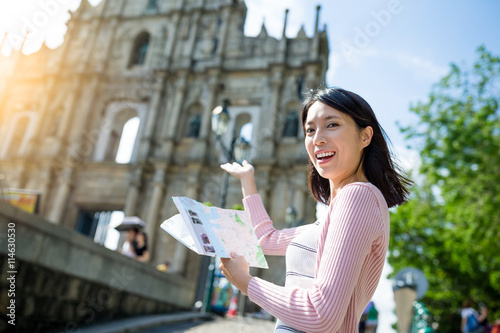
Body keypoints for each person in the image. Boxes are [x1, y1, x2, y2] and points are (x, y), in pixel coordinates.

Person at [219, 87, 411, 332]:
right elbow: (266, 240)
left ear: (365, 136)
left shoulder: (358, 197)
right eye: (310, 130)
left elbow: (321, 315)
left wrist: (246, 283)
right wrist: (248, 181)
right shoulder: (339, 210)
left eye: (332, 125)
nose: (317, 138)